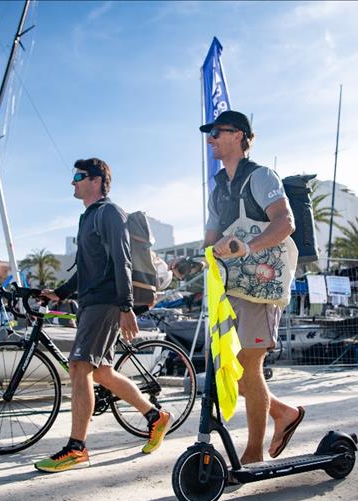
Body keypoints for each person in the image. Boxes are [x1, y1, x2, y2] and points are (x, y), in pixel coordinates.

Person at [34, 158, 173, 473]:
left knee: (79, 366)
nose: (73, 182)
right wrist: (60, 293)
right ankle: (155, 417)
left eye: (78, 176)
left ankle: (76, 448)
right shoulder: (88, 217)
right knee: (102, 373)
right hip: (92, 301)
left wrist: (125, 306)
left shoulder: (110, 213)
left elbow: (122, 260)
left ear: (96, 180)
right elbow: (86, 268)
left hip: (106, 302)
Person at [195, 110, 304, 464]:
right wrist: (201, 256)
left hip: (261, 284)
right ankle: (284, 412)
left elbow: (285, 222)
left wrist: (249, 246)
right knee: (231, 369)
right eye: (209, 133)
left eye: (216, 132)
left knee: (248, 364)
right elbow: (211, 240)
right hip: (229, 285)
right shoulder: (218, 188)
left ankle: (254, 453)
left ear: (239, 136)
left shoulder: (260, 177)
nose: (210, 138)